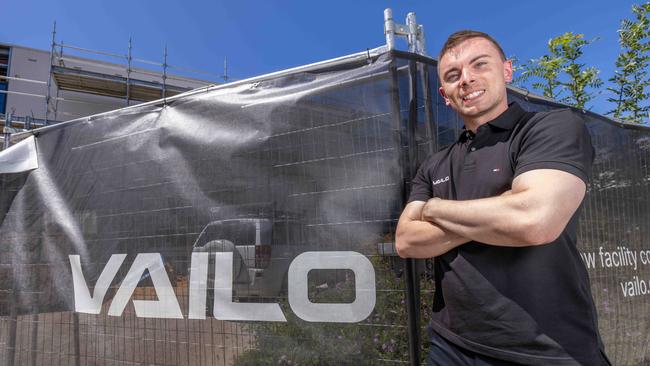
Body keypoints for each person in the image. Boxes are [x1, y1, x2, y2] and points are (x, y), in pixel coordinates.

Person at [395, 30, 610, 366]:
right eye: (453, 76)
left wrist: (436, 208)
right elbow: (407, 240)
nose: (466, 79)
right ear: (445, 95)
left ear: (507, 70)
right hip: (450, 345)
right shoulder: (434, 163)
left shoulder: (551, 128)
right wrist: (502, 206)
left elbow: (533, 220)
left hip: (549, 349)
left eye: (479, 65)